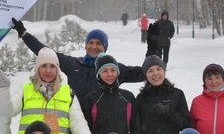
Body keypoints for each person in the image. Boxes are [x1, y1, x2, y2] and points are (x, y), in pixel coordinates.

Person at [0, 47, 96, 134]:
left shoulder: (68, 92)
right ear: (37, 68)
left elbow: (78, 122)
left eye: (52, 66)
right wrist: (2, 90)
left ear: (58, 69)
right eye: (44, 66)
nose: (48, 70)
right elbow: (8, 111)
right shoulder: (26, 89)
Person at [9, 18, 145, 105]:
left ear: (105, 47)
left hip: (100, 126)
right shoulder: (73, 63)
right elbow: (45, 53)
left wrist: (154, 49)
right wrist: (24, 34)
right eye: (90, 43)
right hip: (74, 122)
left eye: (99, 43)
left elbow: (145, 72)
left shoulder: (113, 69)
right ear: (85, 46)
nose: (94, 46)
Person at [82, 53, 143, 134]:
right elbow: (84, 130)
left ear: (118, 72)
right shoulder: (91, 99)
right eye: (104, 71)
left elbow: (136, 130)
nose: (109, 74)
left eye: (113, 70)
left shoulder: (127, 97)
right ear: (98, 74)